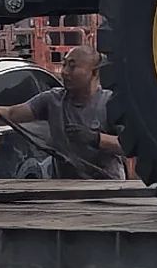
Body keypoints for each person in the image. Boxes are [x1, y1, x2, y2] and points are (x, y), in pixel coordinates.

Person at [11, 45, 123, 179]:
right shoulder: (52, 100)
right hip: (64, 187)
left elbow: (129, 147)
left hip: (107, 186)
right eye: (64, 64)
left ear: (94, 72)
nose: (64, 72)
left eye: (72, 66)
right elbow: (12, 113)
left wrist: (96, 138)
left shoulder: (110, 103)